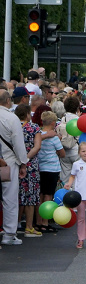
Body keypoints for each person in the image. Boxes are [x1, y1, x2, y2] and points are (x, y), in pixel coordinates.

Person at [0, 90, 30, 245]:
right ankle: (9, 234)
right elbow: (18, 144)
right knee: (10, 198)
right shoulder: (11, 118)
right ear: (7, 101)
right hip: (8, 161)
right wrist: (23, 162)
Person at [16, 104, 42, 238]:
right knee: (30, 196)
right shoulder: (33, 127)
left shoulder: (13, 127)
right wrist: (25, 159)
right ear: (27, 114)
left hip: (14, 163)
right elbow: (37, 147)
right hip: (30, 165)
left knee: (15, 196)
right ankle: (29, 227)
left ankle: (13, 225)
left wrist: (19, 160)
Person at [36, 110, 65, 231]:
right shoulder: (54, 137)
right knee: (48, 195)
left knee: (40, 194)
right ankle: (45, 222)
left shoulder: (38, 135)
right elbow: (62, 153)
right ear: (53, 123)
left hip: (40, 167)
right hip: (52, 168)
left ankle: (38, 221)